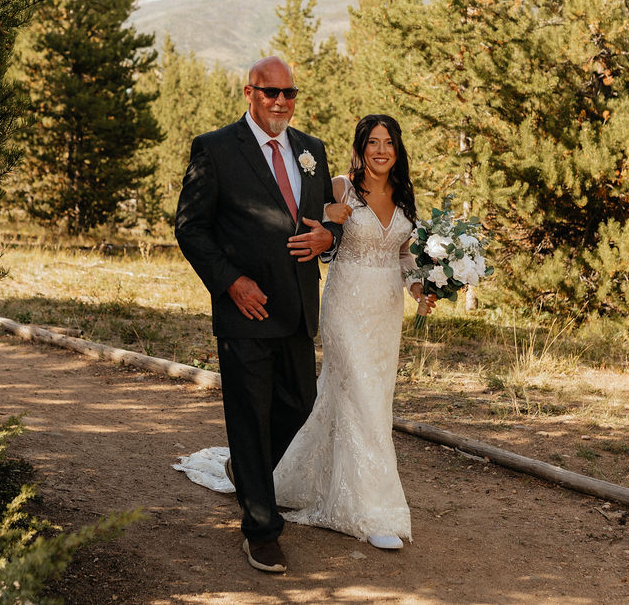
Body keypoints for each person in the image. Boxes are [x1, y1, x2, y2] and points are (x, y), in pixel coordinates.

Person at [174, 56, 342, 574]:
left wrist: (327, 239)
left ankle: (250, 477)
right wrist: (231, 282)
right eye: (270, 92)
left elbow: (322, 224)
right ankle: (261, 530)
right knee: (249, 416)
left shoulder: (312, 151)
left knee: (297, 410)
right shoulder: (216, 148)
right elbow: (190, 228)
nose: (280, 102)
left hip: (297, 312)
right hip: (244, 309)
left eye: (288, 93)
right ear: (248, 93)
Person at [272, 113, 434, 551]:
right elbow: (311, 222)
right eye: (372, 143)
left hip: (385, 310)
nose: (381, 150)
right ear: (361, 148)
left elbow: (403, 257)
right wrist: (326, 215)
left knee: (367, 399)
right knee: (361, 394)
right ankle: (374, 511)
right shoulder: (341, 186)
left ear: (397, 150)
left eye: (388, 143)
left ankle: (289, 480)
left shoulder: (403, 195)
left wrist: (421, 289)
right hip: (345, 305)